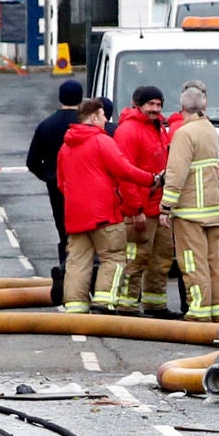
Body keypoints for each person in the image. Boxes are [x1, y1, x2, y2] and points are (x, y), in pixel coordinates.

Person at [56, 95, 159, 311]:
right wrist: (152, 179)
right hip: (104, 214)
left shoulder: (66, 147)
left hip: (75, 216)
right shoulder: (101, 141)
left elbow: (61, 183)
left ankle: (75, 306)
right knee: (113, 257)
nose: (105, 121)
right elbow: (124, 169)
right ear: (94, 117)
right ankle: (104, 302)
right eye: (103, 116)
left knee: (77, 261)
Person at [95, 85, 173, 313]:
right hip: (140, 209)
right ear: (138, 104)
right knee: (136, 260)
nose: (155, 109)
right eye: (150, 104)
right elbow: (125, 175)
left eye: (158, 105)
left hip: (159, 207)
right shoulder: (129, 131)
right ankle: (127, 305)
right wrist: (135, 209)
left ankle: (155, 304)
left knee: (162, 259)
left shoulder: (157, 127)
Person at [162, 81, 219, 323]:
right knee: (213, 263)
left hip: (190, 211)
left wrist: (166, 206)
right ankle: (218, 310)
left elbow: (176, 173)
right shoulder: (209, 129)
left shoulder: (184, 133)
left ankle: (199, 312)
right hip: (211, 209)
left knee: (192, 262)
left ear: (181, 107)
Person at [27, 76, 86, 252]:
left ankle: (64, 264)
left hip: (56, 184)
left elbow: (32, 161)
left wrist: (47, 175)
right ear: (81, 98)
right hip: (85, 183)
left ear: (60, 98)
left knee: (63, 227)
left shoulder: (46, 125)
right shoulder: (86, 124)